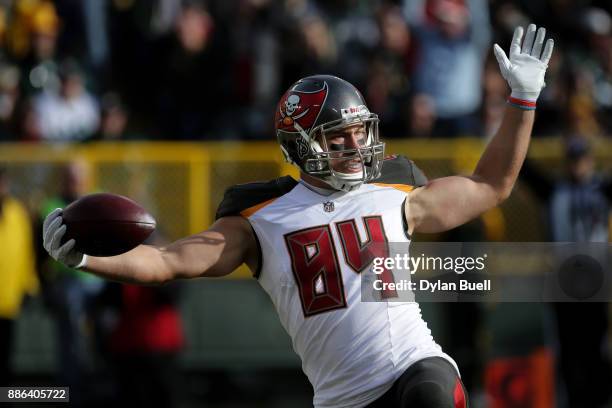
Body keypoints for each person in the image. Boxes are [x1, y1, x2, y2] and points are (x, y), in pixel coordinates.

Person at [41, 25, 554, 408]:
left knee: (431, 395)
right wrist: (87, 257)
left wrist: (522, 100)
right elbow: (169, 261)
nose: (356, 145)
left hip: (414, 370)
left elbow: (492, 185)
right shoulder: (262, 216)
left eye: (359, 131)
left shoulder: (393, 188)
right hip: (341, 397)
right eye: (338, 137)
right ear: (301, 144)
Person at [0, 166, 39, 386]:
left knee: (6, 358)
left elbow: (26, 251)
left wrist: (29, 285)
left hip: (8, 299)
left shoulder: (17, 213)